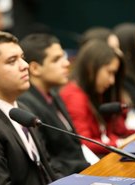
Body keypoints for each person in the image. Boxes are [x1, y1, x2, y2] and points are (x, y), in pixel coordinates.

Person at [0, 30, 58, 185]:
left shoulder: (23, 109)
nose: (25, 66)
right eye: (12, 61)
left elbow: (47, 167)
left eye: (22, 58)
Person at [18, 33, 93, 176]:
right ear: (35, 68)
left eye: (64, 56)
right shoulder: (26, 103)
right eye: (56, 59)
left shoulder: (53, 93)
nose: (66, 63)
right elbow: (48, 160)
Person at [60, 40, 135, 156]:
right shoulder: (74, 96)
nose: (112, 81)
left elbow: (113, 130)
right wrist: (119, 143)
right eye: (109, 72)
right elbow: (84, 142)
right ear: (91, 68)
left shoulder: (96, 91)